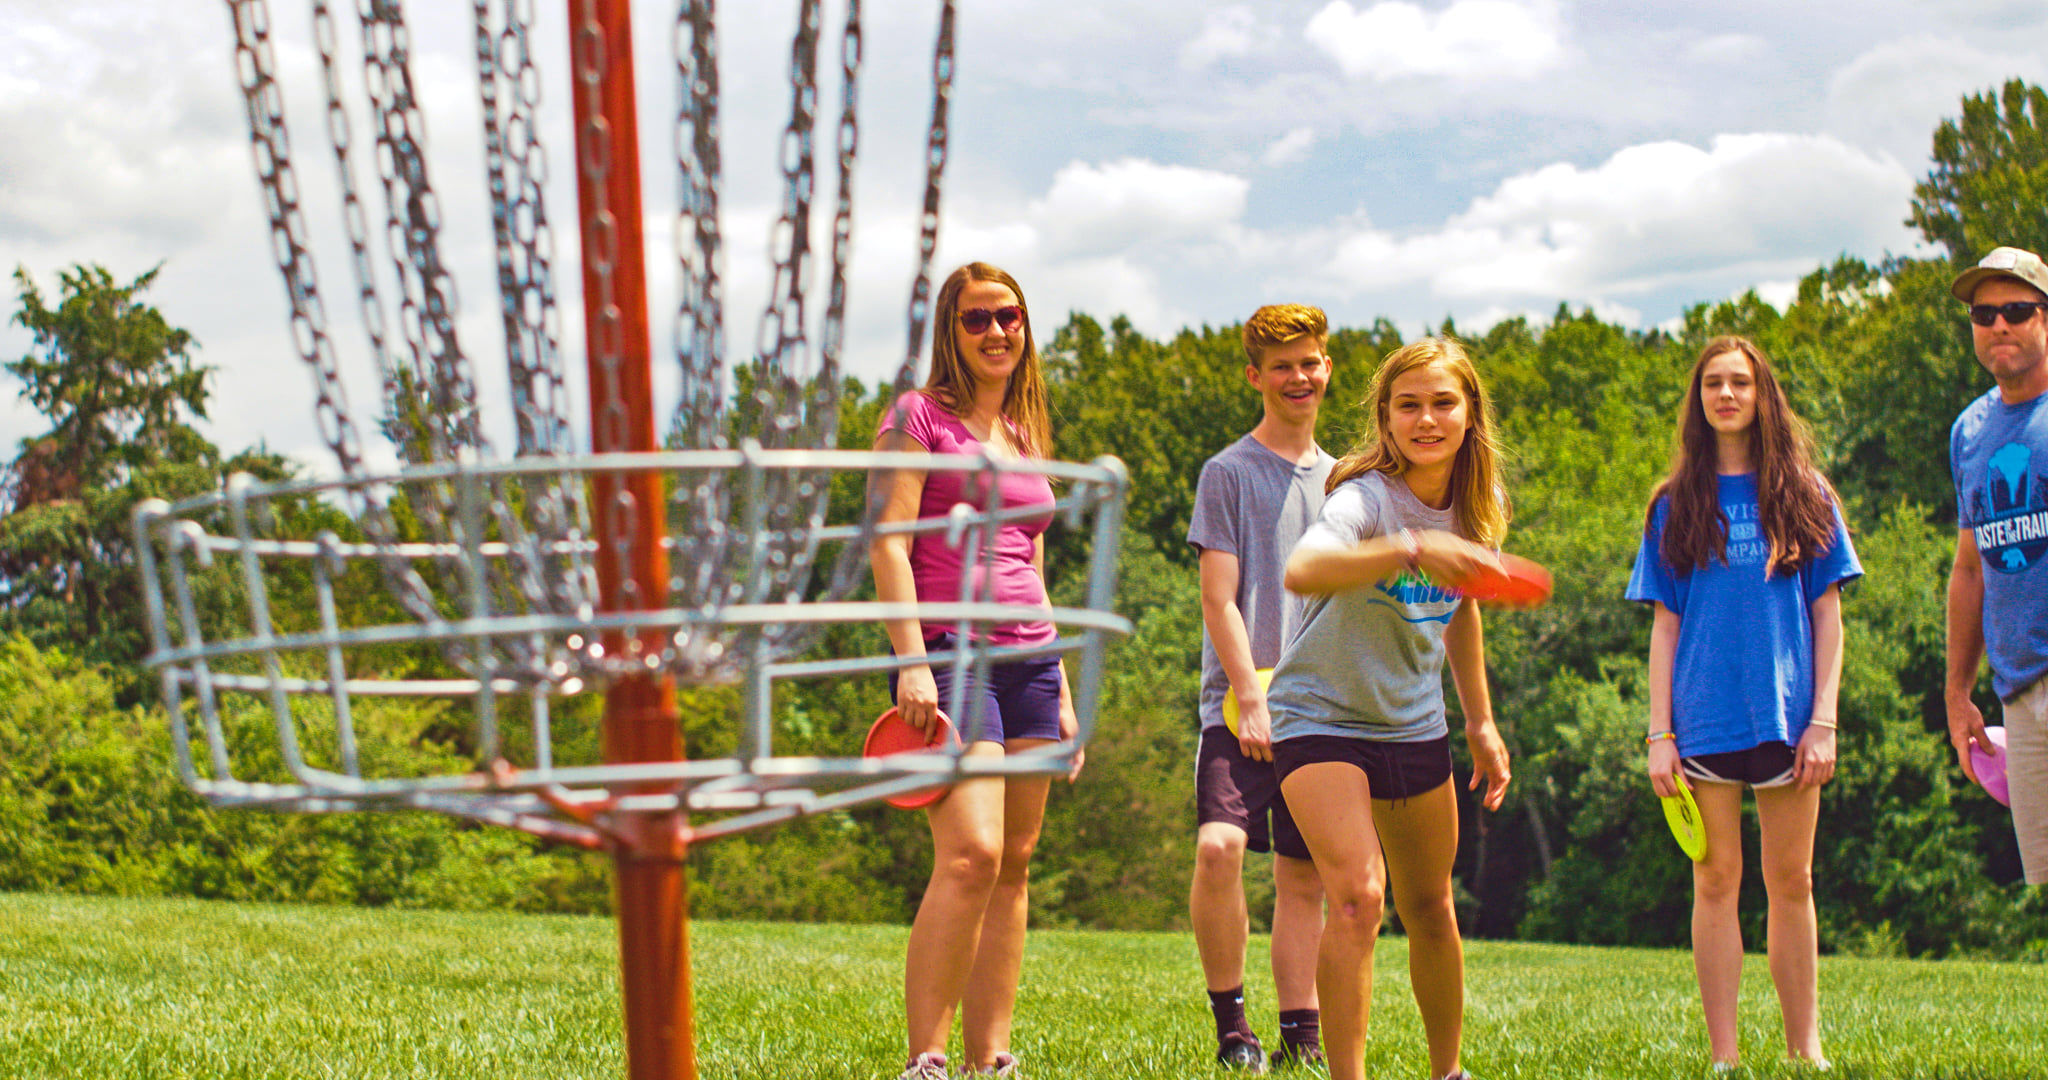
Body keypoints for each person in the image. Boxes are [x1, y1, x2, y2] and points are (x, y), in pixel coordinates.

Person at [1267, 336, 1513, 1080]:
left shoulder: (1482, 503)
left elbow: (1462, 607)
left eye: (1444, 403)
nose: (1427, 419)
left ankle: (1448, 1072)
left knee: (1432, 906)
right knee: (1357, 898)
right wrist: (1409, 548)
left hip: (1412, 722)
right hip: (1320, 716)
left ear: (1470, 414)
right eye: (1408, 405)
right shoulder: (1366, 499)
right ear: (1385, 416)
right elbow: (1303, 568)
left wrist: (1481, 720)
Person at [1628, 335, 1860, 1073]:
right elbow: (1666, 627)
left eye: (1740, 383)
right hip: (1700, 722)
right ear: (1698, 402)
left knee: (1793, 882)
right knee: (1715, 881)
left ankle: (1805, 1049)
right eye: (1712, 385)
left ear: (1764, 397)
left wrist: (1823, 720)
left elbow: (1829, 616)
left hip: (1789, 725)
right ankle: (1723, 1057)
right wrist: (1658, 733)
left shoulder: (1806, 493)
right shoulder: (1673, 505)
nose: (1726, 395)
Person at [870, 262, 1077, 1080]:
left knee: (1016, 861)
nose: (997, 332)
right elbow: (889, 539)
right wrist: (909, 664)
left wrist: (1059, 687)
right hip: (953, 653)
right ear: (950, 332)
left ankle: (993, 1058)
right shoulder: (916, 417)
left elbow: (1029, 554)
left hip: (1032, 658)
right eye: (977, 319)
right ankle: (927, 1059)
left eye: (1010, 317)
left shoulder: (1024, 434)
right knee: (972, 855)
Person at [1186, 304, 1334, 1071]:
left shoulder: (1347, 480)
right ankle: (1232, 1027)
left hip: (1323, 712)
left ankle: (1301, 1036)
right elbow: (1219, 597)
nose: (1298, 377)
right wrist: (1249, 694)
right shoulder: (1228, 473)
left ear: (1327, 369)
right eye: (1282, 366)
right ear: (1256, 377)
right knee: (1220, 849)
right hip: (1243, 703)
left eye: (1309, 363)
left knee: (1304, 875)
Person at [1948, 245, 2048, 887]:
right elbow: (1970, 570)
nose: (1999, 326)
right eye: (1985, 315)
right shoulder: (1970, 431)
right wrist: (1958, 689)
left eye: (2017, 310)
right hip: (2017, 689)